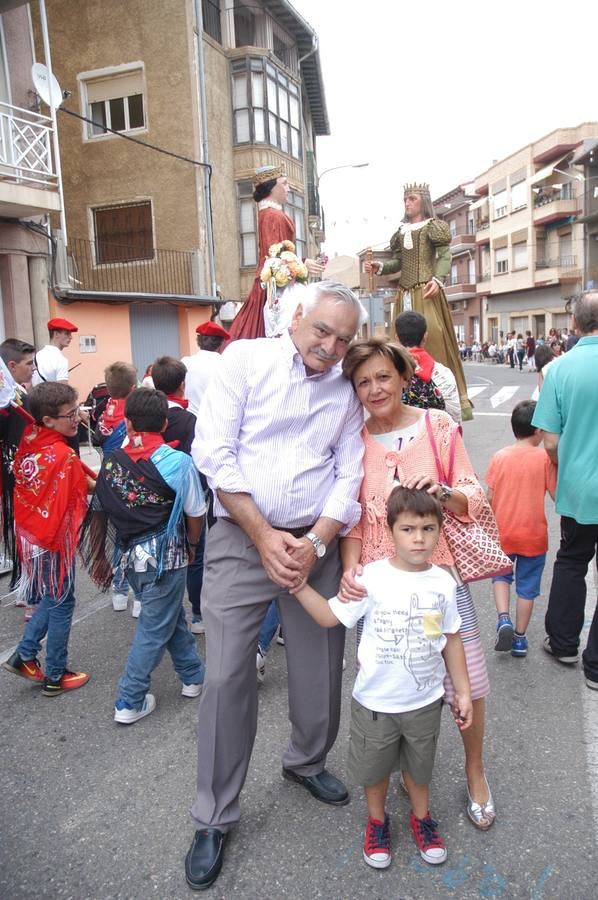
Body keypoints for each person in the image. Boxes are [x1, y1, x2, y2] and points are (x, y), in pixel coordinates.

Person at [184, 282, 365, 891]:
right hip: (242, 537)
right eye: (323, 330)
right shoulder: (245, 360)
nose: (331, 346)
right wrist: (263, 535)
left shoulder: (348, 387)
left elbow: (349, 474)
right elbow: (213, 452)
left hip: (314, 542)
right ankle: (213, 814)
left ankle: (306, 761)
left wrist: (315, 543)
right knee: (227, 674)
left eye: (343, 338)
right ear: (295, 316)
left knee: (321, 666)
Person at [338, 338, 495, 831]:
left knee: (463, 676)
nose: (374, 388)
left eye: (383, 376)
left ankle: (475, 771)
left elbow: (475, 493)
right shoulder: (353, 440)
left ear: (404, 376)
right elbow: (354, 520)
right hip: (380, 589)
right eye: (363, 381)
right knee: (393, 679)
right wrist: (350, 569)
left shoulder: (439, 426)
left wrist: (447, 495)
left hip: (439, 580)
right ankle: (407, 771)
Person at [293, 486, 472, 869]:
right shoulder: (370, 578)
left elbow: (452, 640)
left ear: (440, 529)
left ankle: (422, 819)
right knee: (374, 774)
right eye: (408, 529)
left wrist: (464, 692)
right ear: (390, 530)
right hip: (375, 703)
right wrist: (297, 585)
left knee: (419, 769)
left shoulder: (443, 582)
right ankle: (377, 822)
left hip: (425, 702)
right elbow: (329, 617)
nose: (419, 538)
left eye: (428, 528)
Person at [81, 388, 206, 723]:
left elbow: (100, 510)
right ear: (165, 422)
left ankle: (193, 676)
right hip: (166, 557)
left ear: (128, 421)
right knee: (154, 625)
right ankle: (129, 699)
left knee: (166, 614)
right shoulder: (178, 462)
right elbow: (195, 512)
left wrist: (100, 556)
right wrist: (193, 544)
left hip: (128, 555)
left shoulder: (111, 460)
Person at [1, 382, 92, 696]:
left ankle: (24, 655)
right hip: (52, 539)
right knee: (63, 602)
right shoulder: (61, 456)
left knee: (52, 598)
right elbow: (81, 490)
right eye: (69, 415)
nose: (77, 418)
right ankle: (55, 674)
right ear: (48, 420)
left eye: (76, 410)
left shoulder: (31, 437)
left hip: (32, 534)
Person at [532, 291, 598, 690]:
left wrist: (565, 464)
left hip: (578, 487)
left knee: (572, 560)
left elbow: (550, 442)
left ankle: (564, 643)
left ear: (573, 324)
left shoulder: (559, 369)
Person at [364, 183, 472, 420]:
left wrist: (439, 279)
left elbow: (445, 255)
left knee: (432, 336)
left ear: (423, 201)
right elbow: (397, 263)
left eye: (411, 198)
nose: (407, 203)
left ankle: (440, 389)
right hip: (405, 292)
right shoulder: (401, 231)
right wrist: (379, 266)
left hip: (426, 289)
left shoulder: (434, 228)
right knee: (402, 340)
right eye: (405, 199)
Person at [485, 401, 556, 657]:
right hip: (534, 536)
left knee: (501, 577)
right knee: (527, 587)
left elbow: (489, 498)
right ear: (539, 430)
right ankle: (519, 638)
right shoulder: (545, 458)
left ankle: (503, 618)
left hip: (503, 533)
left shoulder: (500, 457)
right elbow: (557, 495)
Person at [225, 164, 324, 343]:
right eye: (284, 183)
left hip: (274, 279)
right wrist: (300, 265)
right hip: (275, 284)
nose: (288, 188)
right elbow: (275, 257)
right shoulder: (273, 216)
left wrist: (302, 261)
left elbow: (278, 253)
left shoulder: (268, 213)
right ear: (272, 187)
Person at [151, 355, 205, 635]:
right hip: (186, 498)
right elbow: (199, 460)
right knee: (195, 555)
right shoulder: (189, 419)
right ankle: (197, 613)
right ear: (183, 385)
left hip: (153, 500)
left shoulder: (146, 415)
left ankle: (154, 604)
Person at [94, 362, 139, 614]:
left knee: (119, 538)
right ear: (133, 388)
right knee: (135, 536)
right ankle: (140, 595)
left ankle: (119, 590)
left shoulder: (105, 410)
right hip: (128, 480)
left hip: (105, 479)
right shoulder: (131, 412)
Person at [0, 339, 36, 586]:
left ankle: (27, 576)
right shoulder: (7, 396)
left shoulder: (19, 392)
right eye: (29, 363)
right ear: (11, 365)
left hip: (24, 466)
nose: (33, 368)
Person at [395, 310, 461, 423]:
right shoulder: (443, 373)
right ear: (425, 336)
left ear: (397, 338)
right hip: (434, 437)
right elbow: (454, 418)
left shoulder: (389, 373)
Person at [181, 321, 229, 417]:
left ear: (199, 341)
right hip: (216, 420)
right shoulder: (226, 364)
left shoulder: (185, 362)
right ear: (220, 343)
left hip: (190, 420)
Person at [31, 317, 77, 385]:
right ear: (56, 334)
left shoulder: (37, 355)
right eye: (67, 333)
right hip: (52, 395)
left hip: (35, 395)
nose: (71, 337)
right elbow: (63, 390)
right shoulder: (61, 360)